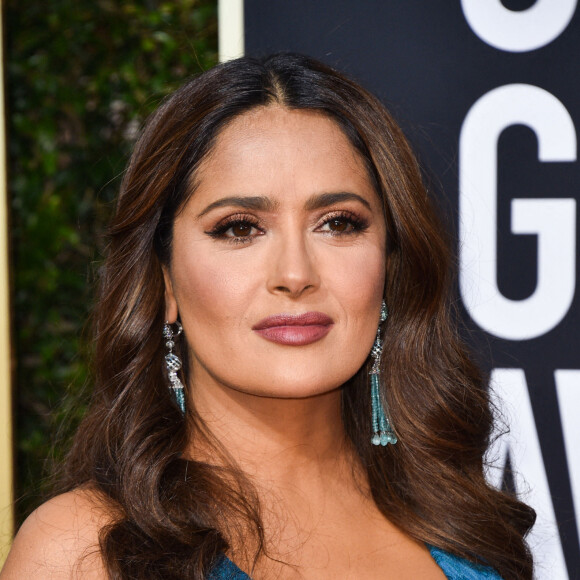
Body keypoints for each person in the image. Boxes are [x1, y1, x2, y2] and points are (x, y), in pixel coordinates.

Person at [1, 53, 534, 579]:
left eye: (338, 223)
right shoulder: (85, 552)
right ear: (163, 280)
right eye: (240, 228)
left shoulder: (465, 528)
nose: (295, 273)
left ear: (390, 265)